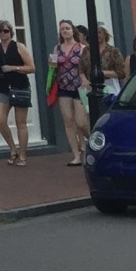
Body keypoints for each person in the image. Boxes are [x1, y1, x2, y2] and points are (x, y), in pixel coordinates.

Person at [0, 18, 35, 165]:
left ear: (11, 32)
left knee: (20, 122)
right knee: (0, 119)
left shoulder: (19, 47)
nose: (3, 33)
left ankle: (22, 155)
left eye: (6, 30)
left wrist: (14, 68)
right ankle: (12, 148)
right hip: (2, 87)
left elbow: (32, 68)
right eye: (0, 31)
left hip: (19, 86)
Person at [50, 19, 88, 165]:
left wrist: (85, 78)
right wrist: (52, 65)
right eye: (62, 29)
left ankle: (91, 141)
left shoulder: (82, 48)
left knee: (81, 122)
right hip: (63, 87)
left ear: (73, 30)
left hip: (79, 87)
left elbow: (86, 67)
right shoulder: (57, 48)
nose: (65, 31)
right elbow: (53, 67)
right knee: (69, 122)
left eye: (67, 28)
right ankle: (76, 155)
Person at [91, 25, 131, 100]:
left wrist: (103, 73)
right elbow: (82, 68)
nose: (97, 35)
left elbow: (121, 72)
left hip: (110, 84)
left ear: (105, 35)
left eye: (99, 32)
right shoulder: (88, 51)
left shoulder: (113, 51)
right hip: (91, 86)